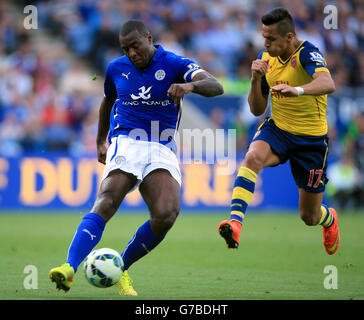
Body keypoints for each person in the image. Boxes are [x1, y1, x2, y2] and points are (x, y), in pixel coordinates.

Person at [49, 19, 224, 295]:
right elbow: (108, 101)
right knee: (107, 200)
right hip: (127, 140)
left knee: (166, 214)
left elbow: (216, 86)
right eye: (125, 48)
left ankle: (122, 269)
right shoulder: (116, 68)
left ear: (148, 38)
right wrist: (100, 140)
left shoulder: (175, 64)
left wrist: (189, 87)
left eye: (135, 46)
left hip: (161, 145)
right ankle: (69, 267)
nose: (131, 53)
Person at [218, 8, 340, 256]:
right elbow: (256, 110)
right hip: (279, 129)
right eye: (264, 37)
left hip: (311, 141)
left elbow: (329, 83)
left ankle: (329, 218)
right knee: (252, 157)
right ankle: (235, 223)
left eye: (271, 39)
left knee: (309, 216)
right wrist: (255, 79)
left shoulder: (307, 52)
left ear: (289, 38)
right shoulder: (266, 59)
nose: (266, 43)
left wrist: (298, 90)